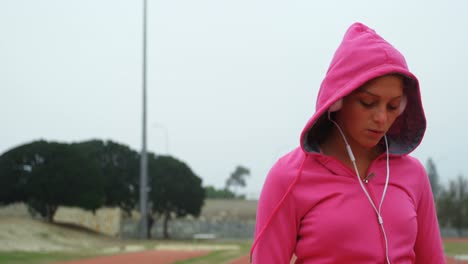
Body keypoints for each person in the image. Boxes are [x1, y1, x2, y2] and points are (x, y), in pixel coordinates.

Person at [250, 22, 445, 263]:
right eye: (367, 102)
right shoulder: (288, 177)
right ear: (337, 100)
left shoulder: (414, 174)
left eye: (393, 106)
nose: (382, 118)